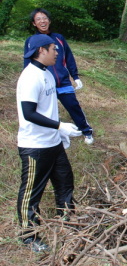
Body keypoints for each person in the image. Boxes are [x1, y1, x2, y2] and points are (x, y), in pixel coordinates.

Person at [17, 34, 83, 252]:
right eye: (53, 49)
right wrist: (59, 126)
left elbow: (47, 108)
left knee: (65, 182)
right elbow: (28, 113)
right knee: (31, 192)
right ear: (41, 51)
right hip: (35, 146)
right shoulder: (30, 77)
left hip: (53, 143)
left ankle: (66, 222)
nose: (57, 52)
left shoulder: (46, 73)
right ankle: (29, 237)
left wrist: (59, 134)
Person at [25, 8, 94, 145]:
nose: (42, 21)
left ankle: (86, 131)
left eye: (44, 18)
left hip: (62, 81)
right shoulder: (31, 40)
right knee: (45, 111)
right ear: (34, 23)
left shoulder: (59, 38)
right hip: (44, 82)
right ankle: (52, 135)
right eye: (38, 19)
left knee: (73, 106)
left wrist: (75, 76)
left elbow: (69, 57)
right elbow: (28, 62)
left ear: (49, 21)